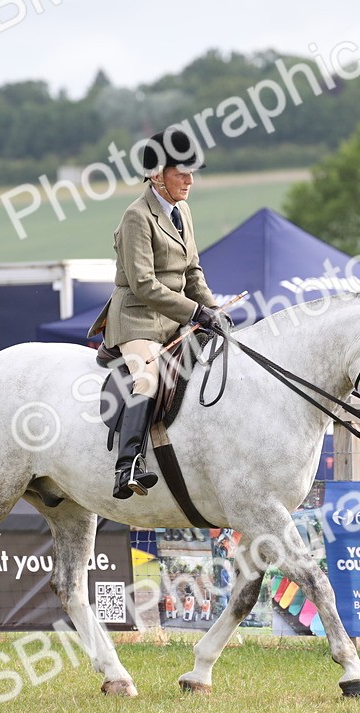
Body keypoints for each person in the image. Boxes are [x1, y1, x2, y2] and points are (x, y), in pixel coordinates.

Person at [87, 127, 231, 500]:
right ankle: (128, 465)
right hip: (137, 319)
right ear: (156, 174)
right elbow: (144, 286)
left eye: (191, 172)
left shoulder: (182, 210)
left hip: (175, 319)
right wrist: (196, 310)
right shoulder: (137, 216)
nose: (190, 180)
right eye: (181, 172)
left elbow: (192, 271)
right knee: (148, 377)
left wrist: (213, 310)